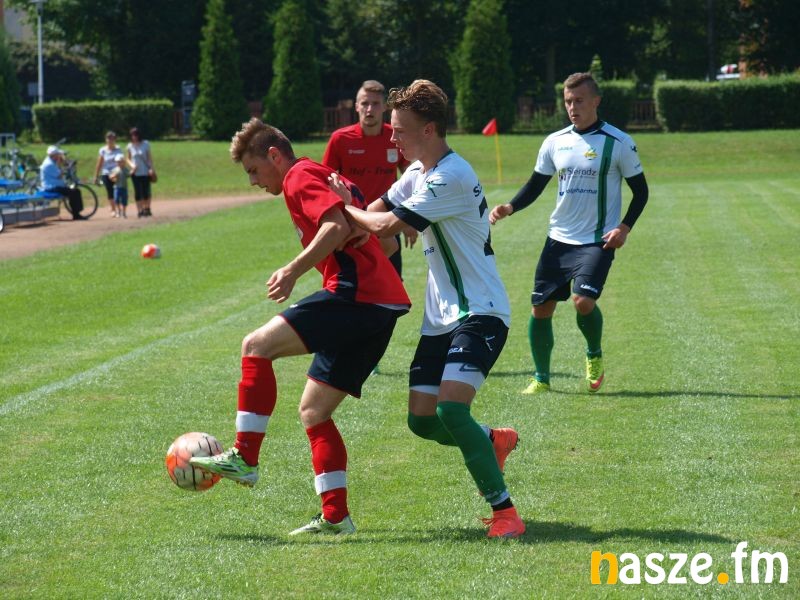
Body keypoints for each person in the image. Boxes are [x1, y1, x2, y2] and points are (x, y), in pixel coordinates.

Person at [190, 118, 412, 536]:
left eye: (254, 170)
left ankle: (245, 457)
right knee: (314, 411)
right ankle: (335, 516)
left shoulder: (298, 177)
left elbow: (335, 227)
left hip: (357, 296)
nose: (253, 182)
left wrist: (292, 270)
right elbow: (384, 243)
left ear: (274, 156)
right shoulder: (323, 174)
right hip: (381, 307)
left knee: (255, 346)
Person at [328, 79, 525, 539]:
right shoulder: (419, 171)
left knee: (452, 410)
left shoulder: (449, 176)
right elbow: (377, 208)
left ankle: (506, 514)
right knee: (421, 420)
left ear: (429, 130)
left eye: (400, 130)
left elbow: (386, 225)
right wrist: (347, 207)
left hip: (481, 311)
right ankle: (492, 439)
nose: (392, 137)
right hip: (440, 318)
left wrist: (347, 208)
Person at [489, 72, 649, 395]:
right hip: (558, 239)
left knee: (583, 301)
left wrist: (624, 227)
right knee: (540, 308)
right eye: (567, 101)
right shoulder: (555, 142)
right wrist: (510, 206)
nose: (572, 107)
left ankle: (594, 353)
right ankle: (541, 378)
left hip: (598, 240)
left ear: (596, 101)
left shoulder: (618, 142)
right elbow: (536, 184)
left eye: (579, 101)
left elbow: (641, 192)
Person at [323, 80, 414, 275]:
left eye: (375, 103)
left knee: (391, 282)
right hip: (353, 225)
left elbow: (412, 178)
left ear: (384, 107)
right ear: (357, 106)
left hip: (387, 222)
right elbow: (325, 182)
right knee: (354, 282)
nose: (369, 109)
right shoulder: (340, 139)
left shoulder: (395, 137)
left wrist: (409, 218)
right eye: (365, 103)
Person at [39, 145, 85, 220]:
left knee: (75, 191)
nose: (59, 155)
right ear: (53, 155)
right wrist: (66, 168)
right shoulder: (49, 164)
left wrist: (61, 164)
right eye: (57, 154)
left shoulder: (51, 161)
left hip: (54, 186)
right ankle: (76, 214)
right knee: (74, 192)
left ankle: (77, 212)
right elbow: (59, 175)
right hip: (51, 187)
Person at [126, 127, 155, 218]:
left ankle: (147, 208)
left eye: (136, 135)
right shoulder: (130, 146)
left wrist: (151, 169)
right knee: (138, 192)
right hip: (135, 172)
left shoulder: (145, 144)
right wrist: (132, 166)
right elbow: (128, 159)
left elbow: (149, 158)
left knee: (146, 191)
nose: (134, 137)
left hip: (145, 171)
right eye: (132, 135)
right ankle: (140, 210)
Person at [93, 131, 123, 217]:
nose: (110, 140)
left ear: (115, 140)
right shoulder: (102, 150)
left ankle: (118, 208)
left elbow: (121, 161)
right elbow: (99, 163)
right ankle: (113, 209)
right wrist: (96, 175)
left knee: (117, 191)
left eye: (112, 138)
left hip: (116, 173)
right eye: (108, 138)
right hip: (106, 173)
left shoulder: (118, 149)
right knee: (110, 191)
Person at [109, 154, 132, 218]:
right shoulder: (115, 169)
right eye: (118, 162)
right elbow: (110, 176)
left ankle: (124, 213)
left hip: (124, 187)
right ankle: (119, 211)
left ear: (124, 162)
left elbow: (128, 175)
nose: (119, 163)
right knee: (116, 199)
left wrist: (132, 171)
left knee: (124, 200)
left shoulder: (125, 169)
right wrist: (113, 177)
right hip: (116, 187)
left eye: (121, 162)